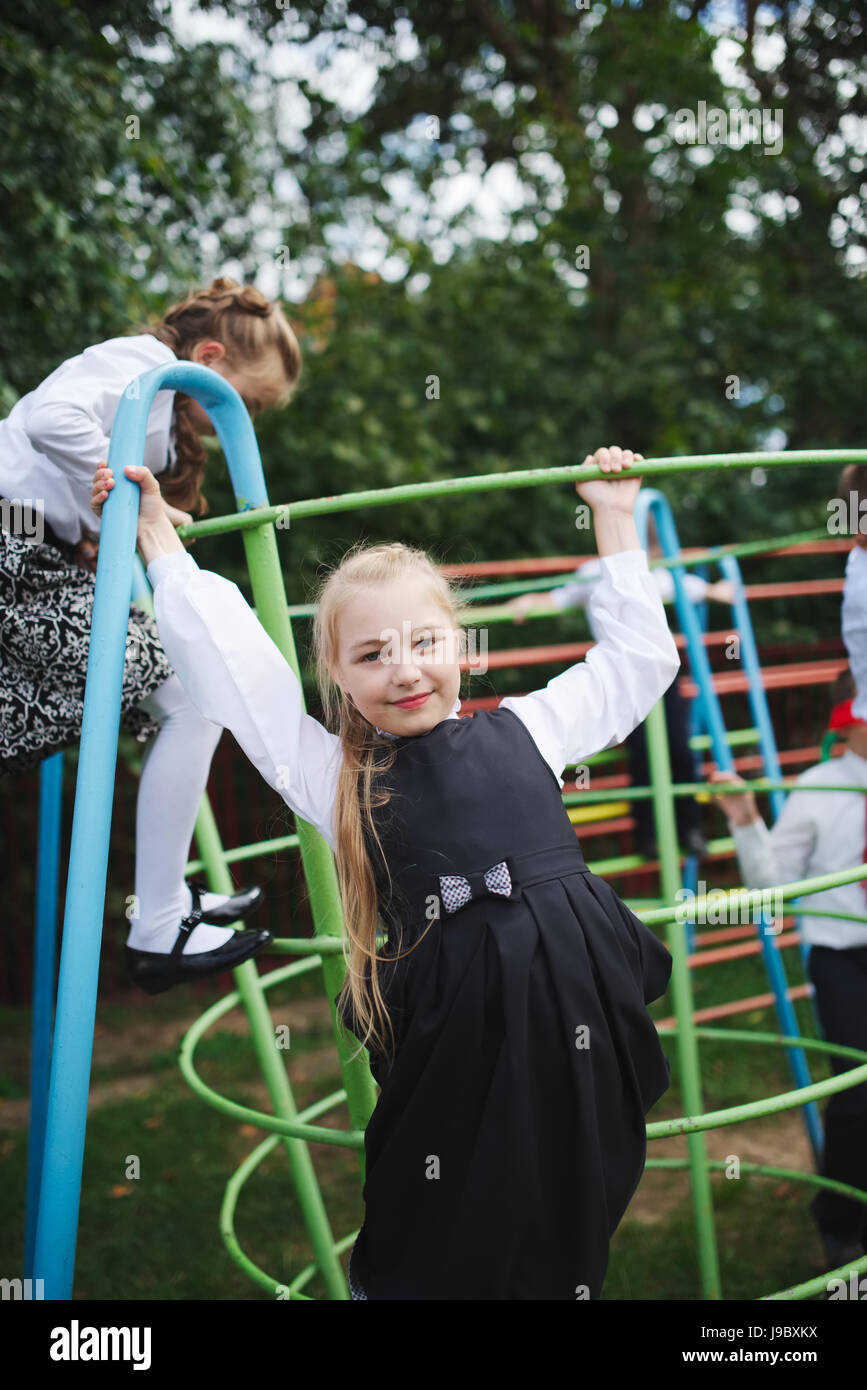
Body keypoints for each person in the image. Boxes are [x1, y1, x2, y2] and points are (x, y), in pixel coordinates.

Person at [97, 443, 679, 1301]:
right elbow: (243, 681)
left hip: (572, 1001)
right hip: (460, 1027)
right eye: (370, 655)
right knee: (438, 1200)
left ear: (460, 644)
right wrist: (160, 547)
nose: (403, 668)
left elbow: (636, 665)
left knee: (569, 1188)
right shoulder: (333, 775)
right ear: (334, 673)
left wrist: (614, 518)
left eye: (423, 642)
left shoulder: (532, 728)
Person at [0, 277, 301, 993]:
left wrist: (95, 528)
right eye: (245, 403)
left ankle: (165, 908)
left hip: (31, 554)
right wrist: (124, 488)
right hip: (11, 550)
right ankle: (160, 919)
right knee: (191, 689)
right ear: (209, 355)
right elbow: (47, 420)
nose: (240, 424)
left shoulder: (162, 412)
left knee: (186, 697)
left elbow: (66, 494)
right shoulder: (139, 365)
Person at [710, 670, 867, 1271]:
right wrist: (745, 816)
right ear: (848, 718)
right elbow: (771, 887)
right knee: (858, 1090)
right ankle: (840, 1221)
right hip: (844, 956)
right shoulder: (821, 788)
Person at [507, 515, 734, 860]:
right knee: (643, 755)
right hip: (619, 676)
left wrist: (716, 591)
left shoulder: (650, 573)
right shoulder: (592, 572)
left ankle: (689, 829)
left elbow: (688, 586)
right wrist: (528, 602)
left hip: (659, 674)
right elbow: (559, 598)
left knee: (679, 749)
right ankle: (649, 837)